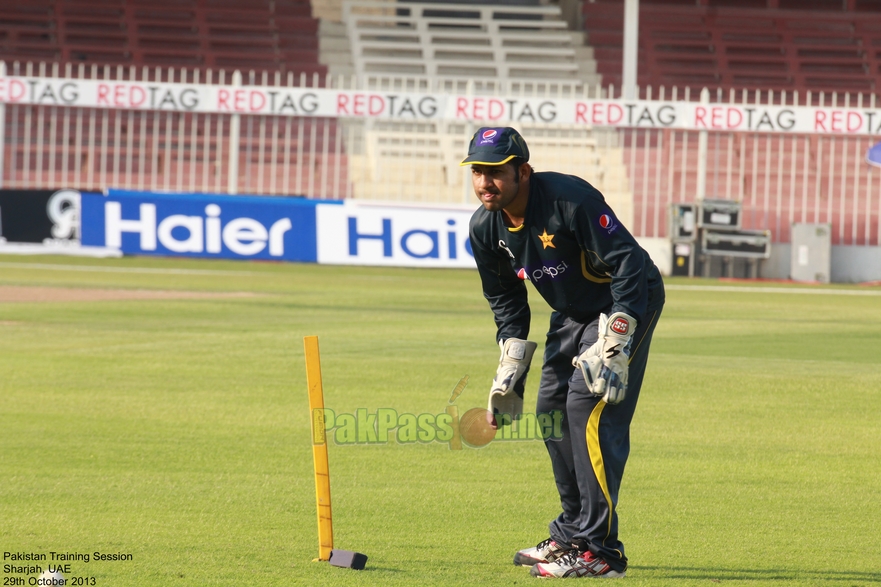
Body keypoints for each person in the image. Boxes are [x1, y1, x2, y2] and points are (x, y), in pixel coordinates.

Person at [464, 127, 665, 579]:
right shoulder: (484, 228)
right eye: (478, 171)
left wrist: (617, 337)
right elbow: (506, 301)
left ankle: (600, 552)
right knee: (551, 409)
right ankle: (573, 533)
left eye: (496, 172)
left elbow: (629, 262)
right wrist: (510, 370)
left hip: (625, 301)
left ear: (523, 171)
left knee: (587, 407)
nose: (485, 182)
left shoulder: (568, 200)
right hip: (572, 312)